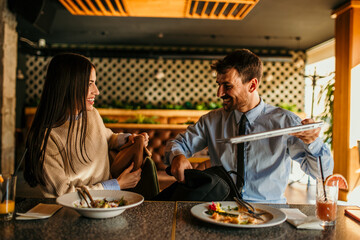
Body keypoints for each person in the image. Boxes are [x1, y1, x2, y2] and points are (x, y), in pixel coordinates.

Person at [164, 49, 334, 203]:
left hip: (270, 211)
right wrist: (177, 156)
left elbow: (322, 174)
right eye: (219, 85)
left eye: (227, 86)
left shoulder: (285, 122)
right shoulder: (211, 121)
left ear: (252, 85)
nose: (219, 93)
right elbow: (177, 144)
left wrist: (313, 142)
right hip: (221, 209)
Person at [24, 53, 150, 198]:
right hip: (73, 215)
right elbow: (63, 195)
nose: (97, 91)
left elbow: (106, 138)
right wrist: (116, 185)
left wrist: (128, 138)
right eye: (90, 83)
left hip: (108, 204)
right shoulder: (45, 138)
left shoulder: (92, 114)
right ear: (68, 85)